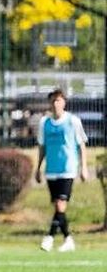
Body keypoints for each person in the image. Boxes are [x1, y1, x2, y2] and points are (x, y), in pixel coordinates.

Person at [35, 89, 88, 253]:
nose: (55, 104)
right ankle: (68, 239)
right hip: (51, 169)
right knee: (58, 207)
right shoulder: (44, 123)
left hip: (68, 169)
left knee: (60, 204)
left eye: (58, 100)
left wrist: (83, 167)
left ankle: (49, 237)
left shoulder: (73, 121)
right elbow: (42, 147)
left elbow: (81, 145)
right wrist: (38, 168)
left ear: (64, 102)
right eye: (53, 101)